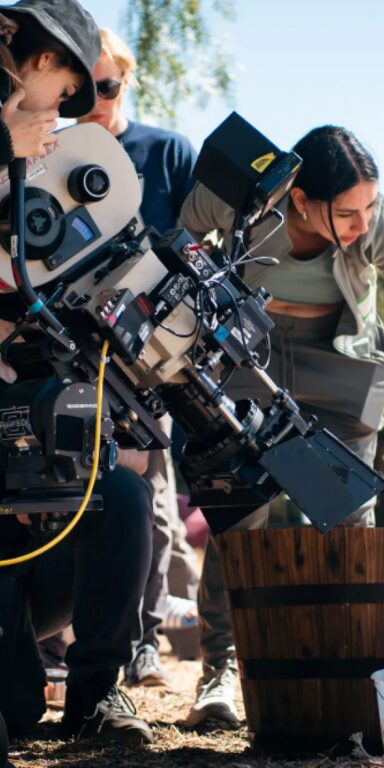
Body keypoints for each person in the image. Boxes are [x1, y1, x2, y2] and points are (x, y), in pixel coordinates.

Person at [179, 124, 384, 725]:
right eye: (348, 212)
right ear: (301, 200)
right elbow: (175, 247)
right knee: (238, 516)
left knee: (346, 513)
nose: (363, 222)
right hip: (247, 355)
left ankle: (353, 664)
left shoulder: (374, 218)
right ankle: (223, 671)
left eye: (370, 206)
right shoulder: (240, 194)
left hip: (340, 359)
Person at [0, 0, 153, 746]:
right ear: (36, 60)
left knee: (120, 489)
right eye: (64, 86)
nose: (65, 105)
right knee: (17, 715)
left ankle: (96, 692)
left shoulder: (39, 162)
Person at [78, 28, 200, 687]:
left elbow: (191, 244)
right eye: (83, 89)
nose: (97, 100)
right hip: (76, 343)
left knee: (151, 494)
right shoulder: (58, 152)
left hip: (151, 343)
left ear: (128, 81)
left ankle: (143, 645)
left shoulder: (166, 150)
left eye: (109, 85)